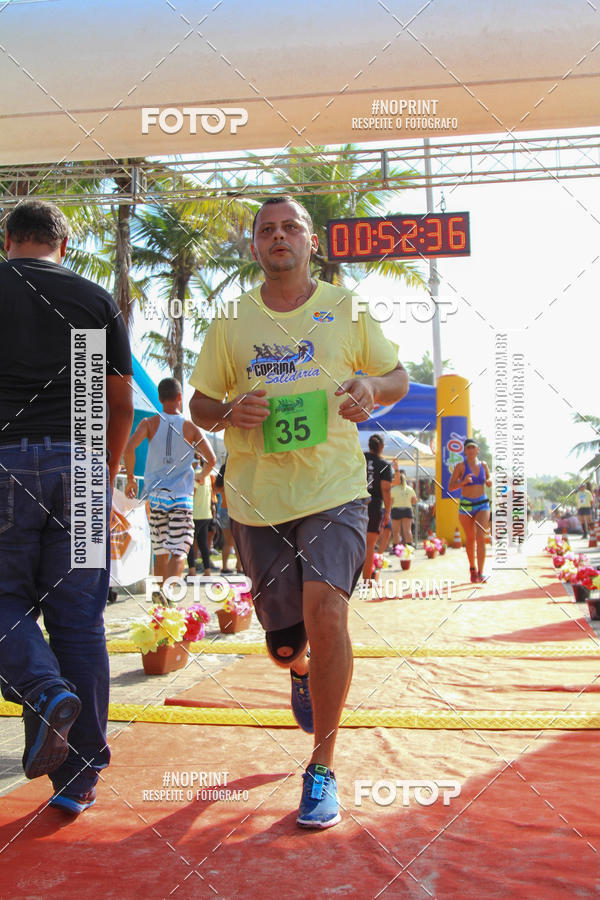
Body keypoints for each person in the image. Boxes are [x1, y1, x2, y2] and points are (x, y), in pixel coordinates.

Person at [189, 195, 407, 829]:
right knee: (286, 642)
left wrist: (372, 389)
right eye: (266, 230)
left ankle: (322, 768)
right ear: (254, 247)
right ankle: (299, 668)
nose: (278, 237)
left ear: (311, 242)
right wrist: (228, 413)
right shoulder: (232, 319)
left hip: (335, 487)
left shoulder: (346, 306)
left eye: (291, 227)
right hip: (257, 497)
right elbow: (201, 404)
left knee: (328, 608)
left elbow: (397, 378)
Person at [0, 200, 134, 815]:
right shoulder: (91, 299)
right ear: (64, 242)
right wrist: (100, 480)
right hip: (78, 463)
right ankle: (78, 778)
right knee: (79, 622)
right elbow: (116, 401)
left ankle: (45, 688)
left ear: (8, 240)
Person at [123, 377, 216, 600]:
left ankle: (159, 603)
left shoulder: (148, 423)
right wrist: (202, 476)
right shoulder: (190, 428)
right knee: (181, 549)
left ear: (160, 397)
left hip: (155, 496)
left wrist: (130, 479)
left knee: (161, 551)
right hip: (181, 497)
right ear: (180, 397)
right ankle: (166, 594)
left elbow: (129, 448)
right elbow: (211, 459)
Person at [448, 438, 492, 583]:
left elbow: (489, 479)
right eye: (468, 448)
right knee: (470, 538)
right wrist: (464, 482)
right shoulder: (460, 466)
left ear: (477, 450)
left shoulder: (483, 465)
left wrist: (489, 481)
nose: (471, 450)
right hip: (466, 505)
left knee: (481, 536)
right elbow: (451, 487)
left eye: (474, 447)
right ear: (465, 451)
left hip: (482, 504)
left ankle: (481, 572)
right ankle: (472, 569)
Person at [363, 434, 393, 578]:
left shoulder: (359, 458)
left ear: (369, 446)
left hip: (355, 504)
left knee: (353, 542)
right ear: (381, 447)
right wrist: (388, 511)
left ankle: (349, 579)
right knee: (369, 544)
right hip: (373, 505)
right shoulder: (384, 465)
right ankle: (367, 579)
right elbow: (386, 490)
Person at [187, 455, 216, 578]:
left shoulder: (196, 474)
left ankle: (192, 572)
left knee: (189, 543)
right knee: (203, 544)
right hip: (206, 514)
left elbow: (192, 493)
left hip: (195, 514)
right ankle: (207, 571)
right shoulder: (207, 475)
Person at [214, 460, 240, 574]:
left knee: (227, 542)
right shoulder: (236, 479)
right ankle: (240, 567)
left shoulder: (221, 481)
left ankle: (224, 567)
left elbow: (214, 491)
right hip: (235, 511)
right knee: (238, 542)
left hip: (224, 510)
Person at [389, 464, 417, 546]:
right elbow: (414, 501)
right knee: (407, 530)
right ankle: (409, 547)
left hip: (396, 510)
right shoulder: (410, 489)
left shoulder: (393, 490)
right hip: (407, 510)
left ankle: (396, 548)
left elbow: (391, 502)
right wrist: (407, 502)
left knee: (396, 531)